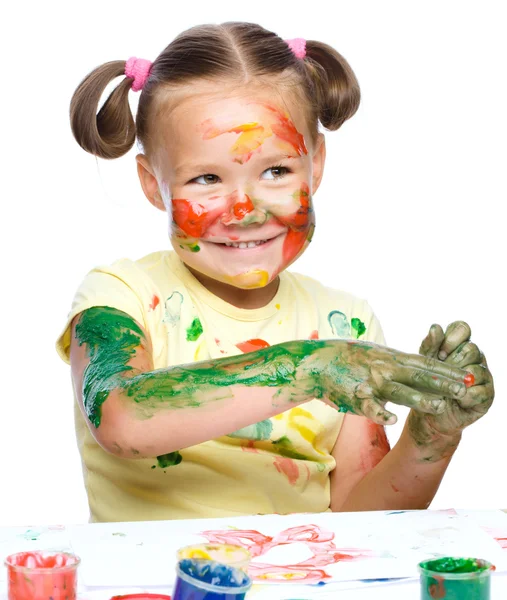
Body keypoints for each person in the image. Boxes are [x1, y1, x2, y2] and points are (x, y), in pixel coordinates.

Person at [56, 22, 494, 523]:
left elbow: (361, 517)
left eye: (276, 171)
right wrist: (309, 367)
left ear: (316, 165)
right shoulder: (119, 296)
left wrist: (428, 439)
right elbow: (121, 420)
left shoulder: (343, 323)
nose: (245, 209)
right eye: (206, 178)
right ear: (153, 184)